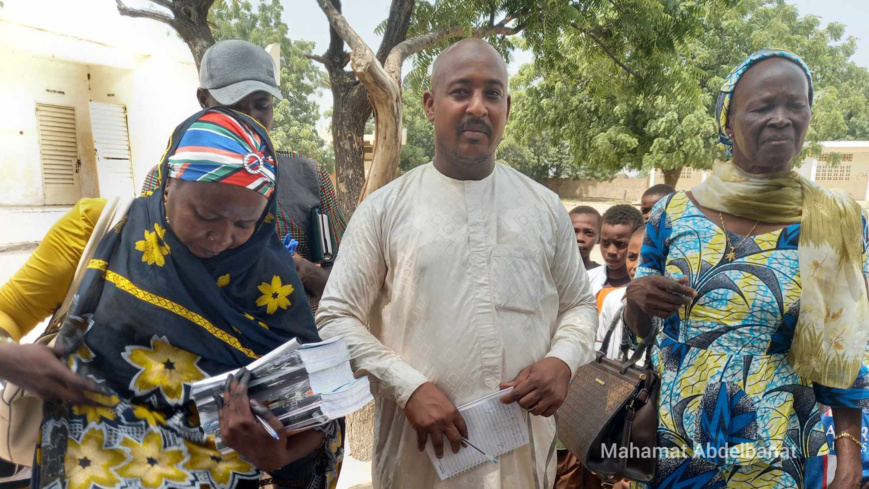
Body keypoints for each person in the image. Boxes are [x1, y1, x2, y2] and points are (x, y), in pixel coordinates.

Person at [0, 108, 342, 489]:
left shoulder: (271, 282)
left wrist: (279, 454)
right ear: (167, 184)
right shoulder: (102, 231)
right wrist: (10, 356)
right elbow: (6, 313)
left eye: (244, 224)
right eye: (204, 214)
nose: (221, 237)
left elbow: (316, 412)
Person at [315, 39, 598, 489]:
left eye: (492, 94)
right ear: (429, 104)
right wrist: (406, 386)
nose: (478, 107)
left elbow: (580, 305)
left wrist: (562, 360)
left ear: (507, 105)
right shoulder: (385, 209)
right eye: (461, 91)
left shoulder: (543, 207)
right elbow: (334, 318)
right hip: (420, 460)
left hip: (521, 460)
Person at [625, 50, 869, 489]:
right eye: (763, 106)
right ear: (727, 119)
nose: (782, 118)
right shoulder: (672, 214)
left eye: (796, 104)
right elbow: (639, 333)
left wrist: (849, 458)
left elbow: (846, 351)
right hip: (674, 441)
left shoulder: (836, 220)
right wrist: (637, 299)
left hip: (781, 445)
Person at [140, 39, 347, 303]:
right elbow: (146, 280)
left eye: (262, 105)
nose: (250, 119)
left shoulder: (311, 176)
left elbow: (345, 282)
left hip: (296, 340)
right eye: (234, 106)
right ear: (204, 99)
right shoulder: (165, 180)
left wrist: (301, 270)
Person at [595, 226, 644, 362]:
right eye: (632, 257)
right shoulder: (612, 299)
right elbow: (600, 345)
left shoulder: (673, 308)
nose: (636, 265)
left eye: (647, 258)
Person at [592, 204, 644, 312]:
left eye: (620, 244)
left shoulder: (643, 285)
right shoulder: (587, 280)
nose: (611, 251)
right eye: (605, 243)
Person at [569, 205, 602, 272]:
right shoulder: (550, 272)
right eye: (573, 232)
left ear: (599, 238)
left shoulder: (603, 276)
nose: (580, 238)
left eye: (589, 233)